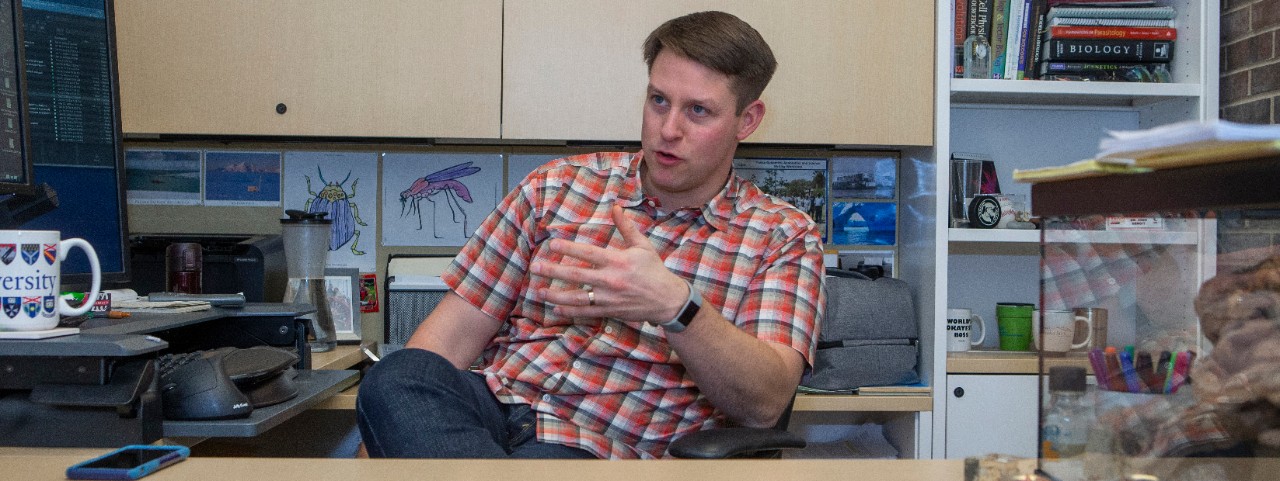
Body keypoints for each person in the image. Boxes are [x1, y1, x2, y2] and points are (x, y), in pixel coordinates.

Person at [355, 10, 825, 460]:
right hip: (490, 408)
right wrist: (381, 447)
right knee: (397, 375)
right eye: (658, 99)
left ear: (748, 120)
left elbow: (764, 404)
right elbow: (444, 344)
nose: (668, 129)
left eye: (698, 111)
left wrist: (677, 308)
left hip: (596, 447)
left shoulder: (782, 236)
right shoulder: (557, 186)